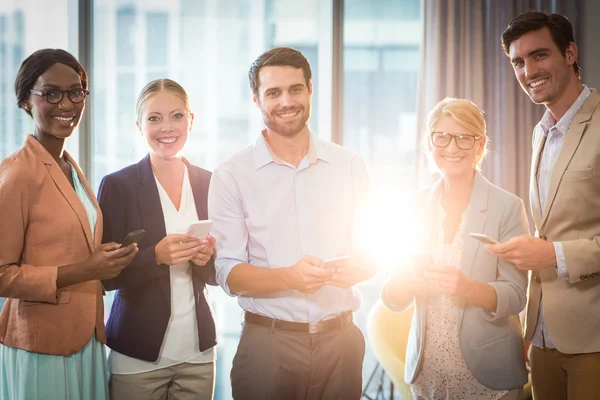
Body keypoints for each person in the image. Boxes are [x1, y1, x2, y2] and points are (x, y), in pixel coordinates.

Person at [208, 47, 375, 400]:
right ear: (256, 100)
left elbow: (373, 253)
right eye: (273, 92)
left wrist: (362, 266)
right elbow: (228, 274)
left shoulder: (350, 165)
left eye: (295, 89)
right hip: (268, 347)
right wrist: (290, 277)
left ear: (310, 90)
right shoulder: (231, 175)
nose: (286, 101)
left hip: (342, 344)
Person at [0, 49, 138, 400]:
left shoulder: (69, 168)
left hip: (84, 337)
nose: (66, 103)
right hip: (42, 345)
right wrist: (84, 269)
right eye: (51, 93)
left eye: (76, 92)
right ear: (26, 101)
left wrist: (103, 260)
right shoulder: (17, 172)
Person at [382, 98, 529, 400]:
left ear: (480, 145)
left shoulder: (507, 207)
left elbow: (516, 295)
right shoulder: (414, 205)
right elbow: (392, 297)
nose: (452, 147)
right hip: (429, 377)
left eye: (464, 137)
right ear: (429, 143)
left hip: (490, 383)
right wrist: (404, 282)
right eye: (442, 136)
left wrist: (467, 287)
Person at [490, 11, 600, 399]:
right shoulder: (541, 133)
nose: (528, 70)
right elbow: (552, 226)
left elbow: (551, 247)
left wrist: (551, 254)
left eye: (539, 55)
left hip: (593, 337)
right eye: (518, 62)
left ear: (570, 53)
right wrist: (529, 327)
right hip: (542, 337)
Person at [97, 79, 217, 400]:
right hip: (137, 354)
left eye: (177, 116)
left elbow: (220, 273)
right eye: (154, 118)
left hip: (198, 353)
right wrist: (156, 257)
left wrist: (208, 260)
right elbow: (105, 277)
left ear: (191, 120)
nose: (167, 126)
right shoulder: (117, 185)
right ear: (139, 126)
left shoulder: (210, 183)